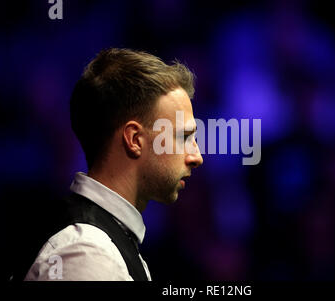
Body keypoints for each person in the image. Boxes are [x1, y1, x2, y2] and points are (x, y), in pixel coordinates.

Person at [21, 48, 203, 281]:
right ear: (135, 140)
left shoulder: (99, 245)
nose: (196, 156)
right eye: (183, 137)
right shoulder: (88, 254)